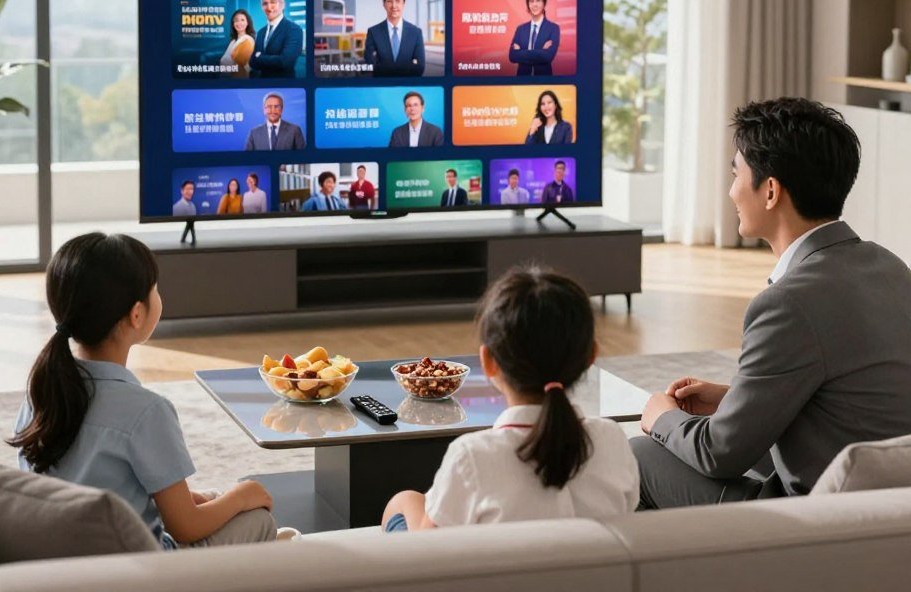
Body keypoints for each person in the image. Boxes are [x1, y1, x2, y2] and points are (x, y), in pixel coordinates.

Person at [633, 97, 911, 509]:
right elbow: (849, 396)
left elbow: (719, 454)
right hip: (888, 503)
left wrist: (663, 418)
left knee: (637, 455)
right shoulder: (890, 267)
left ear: (770, 191)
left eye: (736, 175)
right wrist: (735, 399)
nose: (731, 191)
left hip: (815, 515)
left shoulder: (787, 303)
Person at [8, 233, 278, 548]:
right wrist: (243, 496)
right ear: (136, 314)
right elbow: (186, 527)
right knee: (257, 517)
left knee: (213, 498)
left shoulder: (41, 392)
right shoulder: (147, 411)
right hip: (139, 563)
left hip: (67, 554)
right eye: (154, 288)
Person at [380, 266, 639, 532]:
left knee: (402, 502)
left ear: (488, 361)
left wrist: (407, 502)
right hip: (589, 560)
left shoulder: (471, 456)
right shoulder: (612, 440)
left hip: (481, 560)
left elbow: (428, 549)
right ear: (590, 357)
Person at [363, 0, 425, 77]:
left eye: (398, 1)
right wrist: (405, 66)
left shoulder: (416, 33)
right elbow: (369, 63)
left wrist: (384, 66)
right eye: (389, 1)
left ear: (403, 3)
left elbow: (420, 67)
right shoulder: (373, 32)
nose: (394, 6)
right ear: (384, 4)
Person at [249, 0, 303, 78]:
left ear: (283, 5)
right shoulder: (261, 32)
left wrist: (259, 57)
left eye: (273, 2)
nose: (269, 7)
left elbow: (285, 62)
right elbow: (252, 63)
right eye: (265, 3)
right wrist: (269, 59)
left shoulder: (294, 30)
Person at [508, 0, 560, 76]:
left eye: (538, 1)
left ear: (544, 3)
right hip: (522, 80)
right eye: (531, 1)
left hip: (543, 80)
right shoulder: (520, 29)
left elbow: (548, 57)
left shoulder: (553, 28)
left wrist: (521, 52)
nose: (534, 4)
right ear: (528, 5)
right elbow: (512, 56)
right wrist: (541, 51)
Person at [219, 9, 255, 78]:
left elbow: (239, 65)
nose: (239, 23)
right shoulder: (233, 41)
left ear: (247, 23)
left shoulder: (247, 40)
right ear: (233, 24)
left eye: (242, 20)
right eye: (236, 20)